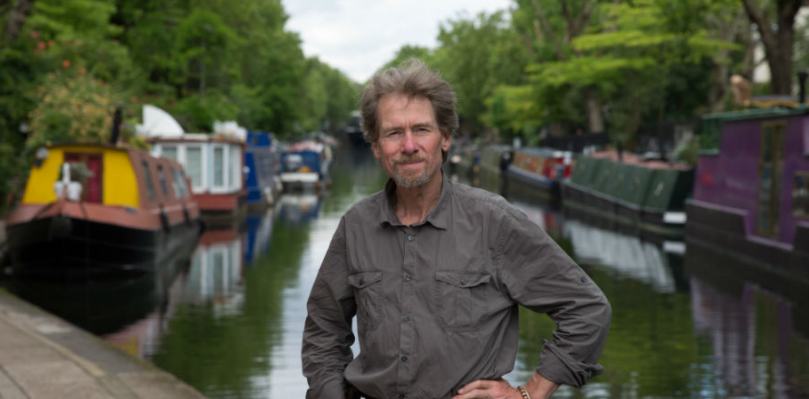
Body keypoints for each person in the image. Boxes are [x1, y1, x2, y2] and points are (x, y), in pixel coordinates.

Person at [302, 59, 611, 399]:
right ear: (376, 146)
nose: (408, 146)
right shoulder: (355, 226)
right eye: (393, 133)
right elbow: (324, 332)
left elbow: (586, 308)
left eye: (421, 129)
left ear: (445, 138)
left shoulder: (494, 222)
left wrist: (530, 392)